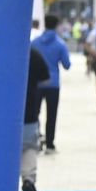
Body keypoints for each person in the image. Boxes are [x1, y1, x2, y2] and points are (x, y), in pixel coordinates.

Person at [29, 13, 71, 152]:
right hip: (53, 84)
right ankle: (50, 143)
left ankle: (36, 139)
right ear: (57, 25)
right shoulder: (60, 44)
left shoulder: (35, 42)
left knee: (35, 113)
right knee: (51, 114)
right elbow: (66, 65)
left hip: (37, 84)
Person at [21, 47, 50, 191]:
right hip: (29, 109)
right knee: (29, 147)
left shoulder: (0, 47)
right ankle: (28, 179)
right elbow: (46, 78)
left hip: (1, 114)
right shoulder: (32, 53)